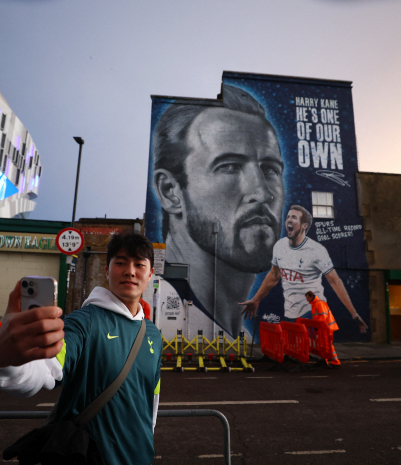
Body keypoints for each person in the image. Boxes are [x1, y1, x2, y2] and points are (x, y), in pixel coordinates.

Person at [0, 232, 162, 465]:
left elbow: (152, 400)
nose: (130, 271)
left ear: (150, 275)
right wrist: (6, 360)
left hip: (140, 456)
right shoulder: (84, 322)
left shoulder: (153, 334)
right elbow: (43, 369)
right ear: (107, 271)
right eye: (120, 262)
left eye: (139, 264)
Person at [152, 84, 284, 337]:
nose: (263, 193)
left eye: (270, 170)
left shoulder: (233, 334)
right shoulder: (159, 328)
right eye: (230, 167)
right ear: (170, 191)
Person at [241, 205, 368, 332]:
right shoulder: (280, 246)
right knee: (293, 349)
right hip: (291, 313)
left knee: (305, 348)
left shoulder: (316, 250)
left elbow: (335, 280)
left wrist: (353, 313)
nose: (289, 220)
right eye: (288, 217)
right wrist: (256, 299)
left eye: (294, 217)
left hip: (313, 311)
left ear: (304, 226)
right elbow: (274, 276)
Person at [305, 291, 341, 367]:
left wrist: (317, 325)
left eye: (308, 298)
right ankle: (325, 360)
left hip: (326, 328)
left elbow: (323, 316)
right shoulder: (315, 304)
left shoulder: (319, 303)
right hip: (323, 328)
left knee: (327, 345)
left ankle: (336, 362)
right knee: (324, 345)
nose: (307, 299)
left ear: (311, 296)